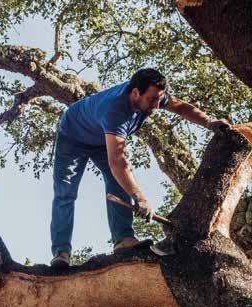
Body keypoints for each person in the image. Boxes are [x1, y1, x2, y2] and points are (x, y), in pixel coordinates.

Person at [50, 68, 231, 268]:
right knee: (65, 192)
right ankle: (61, 252)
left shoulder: (153, 96)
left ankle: (124, 240)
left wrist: (209, 122)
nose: (156, 105)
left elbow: (180, 107)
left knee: (118, 184)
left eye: (159, 99)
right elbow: (118, 162)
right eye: (152, 99)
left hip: (102, 138)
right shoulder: (115, 112)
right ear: (135, 93)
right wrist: (140, 198)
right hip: (73, 136)